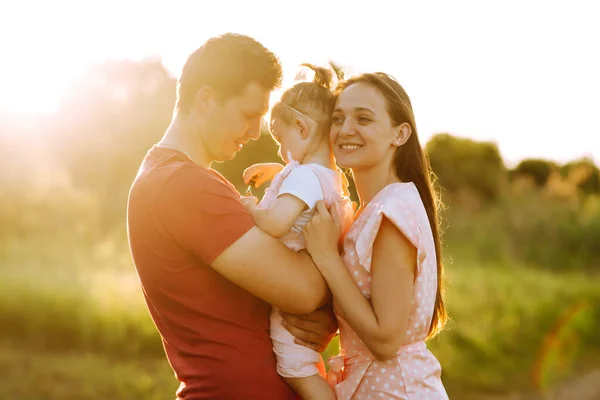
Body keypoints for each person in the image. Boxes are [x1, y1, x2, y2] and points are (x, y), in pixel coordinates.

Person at [126, 33, 337, 400]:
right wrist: (332, 278)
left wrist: (329, 317)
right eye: (248, 115)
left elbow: (284, 295)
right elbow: (304, 292)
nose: (255, 133)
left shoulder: (186, 179)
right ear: (206, 99)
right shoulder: (181, 185)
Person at [302, 72, 449, 399]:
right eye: (338, 118)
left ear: (400, 134)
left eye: (364, 119)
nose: (344, 129)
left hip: (396, 390)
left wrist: (326, 256)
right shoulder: (374, 208)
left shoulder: (391, 212)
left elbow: (385, 341)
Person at [240, 64, 354, 400]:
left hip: (294, 298)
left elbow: (276, 223)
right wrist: (279, 171)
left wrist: (250, 208)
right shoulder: (331, 178)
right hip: (317, 286)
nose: (279, 149)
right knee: (307, 361)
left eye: (279, 137)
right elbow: (305, 180)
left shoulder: (304, 180)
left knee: (297, 369)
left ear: (301, 128)